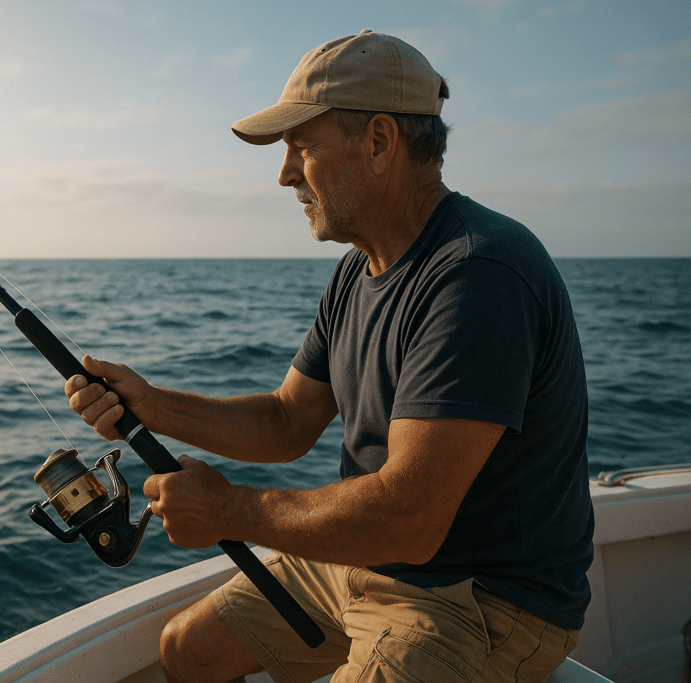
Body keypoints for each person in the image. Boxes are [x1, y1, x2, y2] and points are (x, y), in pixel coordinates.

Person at [66, 30, 594, 683]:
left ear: (379, 142)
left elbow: (410, 519)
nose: (285, 173)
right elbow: (288, 421)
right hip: (367, 560)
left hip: (480, 600)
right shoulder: (356, 270)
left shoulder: (479, 274)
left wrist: (228, 510)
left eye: (302, 147)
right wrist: (151, 405)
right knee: (186, 650)